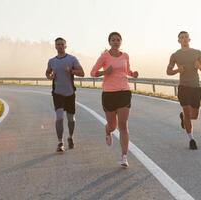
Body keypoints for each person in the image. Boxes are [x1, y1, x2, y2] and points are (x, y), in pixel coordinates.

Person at [90, 32, 138, 167]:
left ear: (121, 42)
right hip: (109, 94)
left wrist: (133, 74)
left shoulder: (125, 56)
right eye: (113, 40)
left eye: (118, 40)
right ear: (109, 42)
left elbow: (127, 71)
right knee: (113, 126)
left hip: (124, 92)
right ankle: (107, 131)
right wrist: (105, 72)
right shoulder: (104, 56)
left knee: (123, 125)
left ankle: (124, 157)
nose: (116, 42)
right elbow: (93, 73)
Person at [166, 31, 201, 150]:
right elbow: (168, 72)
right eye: (181, 38)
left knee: (194, 115)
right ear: (178, 40)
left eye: (186, 37)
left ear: (189, 39)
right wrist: (177, 70)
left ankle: (183, 117)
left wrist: (199, 67)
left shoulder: (197, 52)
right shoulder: (175, 55)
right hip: (183, 87)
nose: (184, 39)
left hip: (195, 87)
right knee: (188, 114)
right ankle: (191, 139)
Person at [46, 37, 85, 153]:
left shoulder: (72, 59)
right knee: (59, 118)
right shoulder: (52, 61)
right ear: (55, 46)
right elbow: (48, 72)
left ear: (66, 46)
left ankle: (70, 137)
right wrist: (50, 76)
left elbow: (82, 73)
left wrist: (72, 71)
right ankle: (60, 142)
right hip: (57, 93)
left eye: (62, 44)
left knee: (71, 119)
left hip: (70, 93)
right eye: (58, 44)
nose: (60, 46)